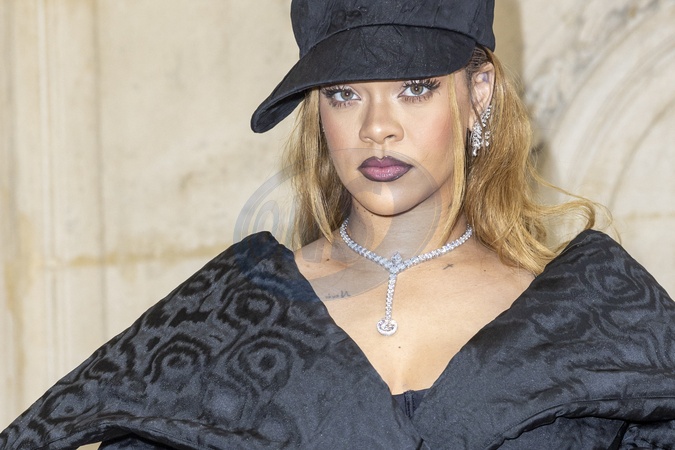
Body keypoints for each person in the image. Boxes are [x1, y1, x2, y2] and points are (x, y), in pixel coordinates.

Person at [2, 0, 674, 448]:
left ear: (478, 94)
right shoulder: (230, 316)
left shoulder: (596, 318)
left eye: (414, 86)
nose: (377, 127)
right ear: (317, 113)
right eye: (344, 93)